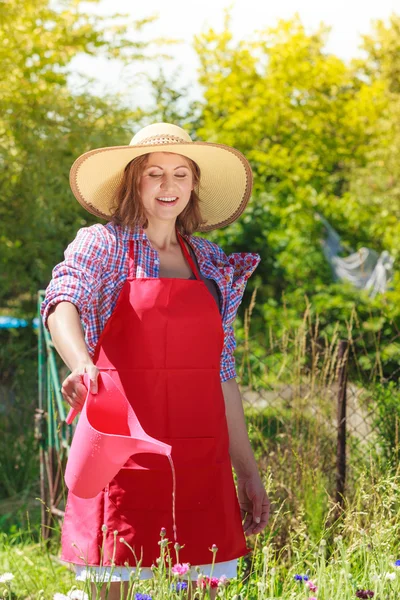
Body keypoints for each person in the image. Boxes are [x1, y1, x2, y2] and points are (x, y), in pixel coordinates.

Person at [41, 123, 270, 599]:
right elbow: (63, 300)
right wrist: (81, 363)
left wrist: (246, 469)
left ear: (193, 184)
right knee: (118, 583)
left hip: (200, 456)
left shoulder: (209, 261)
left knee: (204, 584)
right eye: (155, 174)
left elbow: (222, 373)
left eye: (181, 174)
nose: (169, 186)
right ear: (133, 182)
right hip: (125, 453)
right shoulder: (103, 245)